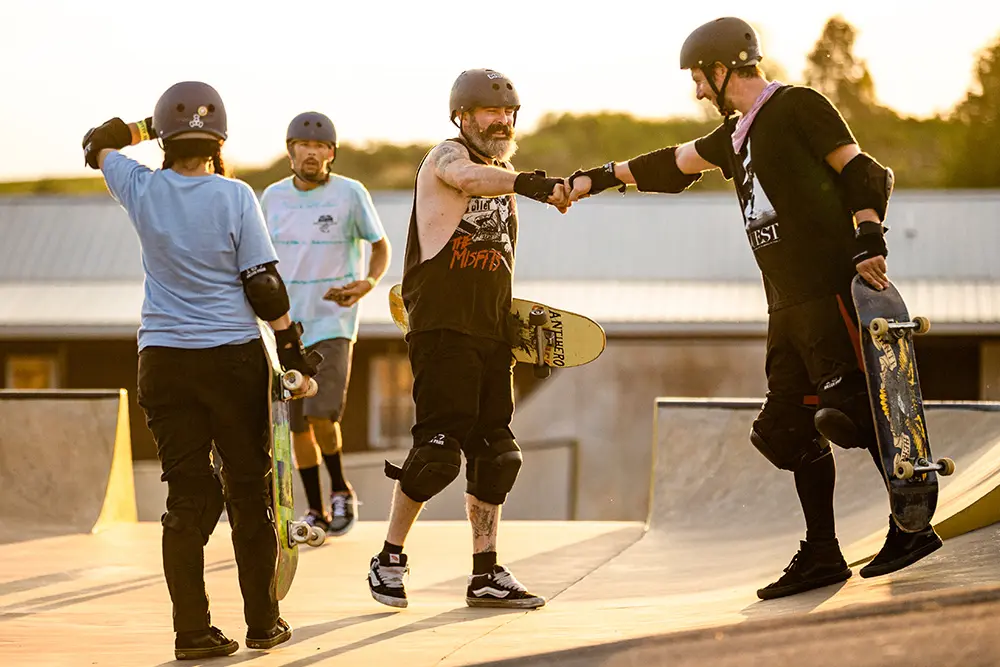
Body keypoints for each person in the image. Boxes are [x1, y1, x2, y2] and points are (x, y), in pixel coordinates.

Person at [565, 17, 942, 600]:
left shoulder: (797, 107)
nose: (695, 91)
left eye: (698, 77)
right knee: (784, 430)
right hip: (785, 307)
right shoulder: (734, 134)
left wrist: (870, 240)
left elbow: (864, 171)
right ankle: (823, 553)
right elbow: (670, 164)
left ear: (722, 69)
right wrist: (597, 179)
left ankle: (912, 523)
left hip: (827, 290)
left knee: (848, 409)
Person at [82, 81, 320, 659]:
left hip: (163, 361)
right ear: (220, 138)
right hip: (232, 361)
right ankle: (263, 623)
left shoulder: (139, 185)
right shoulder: (235, 196)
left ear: (164, 137)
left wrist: (152, 125)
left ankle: (192, 632)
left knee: (187, 499)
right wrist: (293, 353)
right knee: (249, 490)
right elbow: (263, 285)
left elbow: (97, 142)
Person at [366, 68, 570, 609]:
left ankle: (485, 572)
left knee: (497, 455)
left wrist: (522, 336)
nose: (501, 121)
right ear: (462, 115)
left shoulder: (502, 172)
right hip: (442, 329)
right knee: (437, 454)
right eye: (489, 112)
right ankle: (388, 557)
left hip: (490, 335)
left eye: (508, 113)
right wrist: (531, 182)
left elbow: (499, 264)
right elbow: (469, 181)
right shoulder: (445, 158)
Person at [260, 112, 390, 537]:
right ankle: (316, 509)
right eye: (303, 146)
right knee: (295, 424)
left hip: (334, 322)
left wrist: (367, 283)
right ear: (291, 151)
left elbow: (380, 247)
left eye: (320, 147)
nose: (312, 153)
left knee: (320, 415)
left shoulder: (350, 194)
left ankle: (340, 490)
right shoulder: (272, 199)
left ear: (331, 153)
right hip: (286, 327)